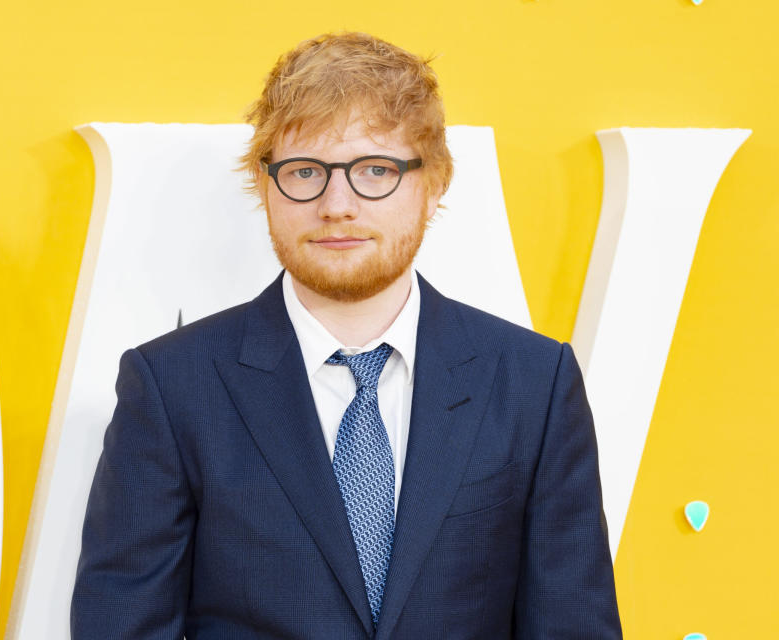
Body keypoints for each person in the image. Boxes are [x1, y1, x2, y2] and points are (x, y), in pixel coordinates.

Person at [71, 31, 623, 639]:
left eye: (375, 170)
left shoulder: (533, 384)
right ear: (264, 184)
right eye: (305, 171)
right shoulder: (172, 386)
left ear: (434, 182)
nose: (337, 204)